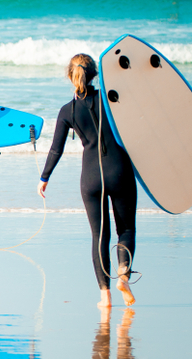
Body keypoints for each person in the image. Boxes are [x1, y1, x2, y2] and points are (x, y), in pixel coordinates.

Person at [37, 54, 137, 308]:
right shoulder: (110, 97)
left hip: (90, 178)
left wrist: (44, 177)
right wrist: (188, 98)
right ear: (95, 75)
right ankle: (123, 274)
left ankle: (105, 296)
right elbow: (148, 108)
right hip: (119, 171)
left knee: (98, 235)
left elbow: (55, 149)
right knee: (125, 229)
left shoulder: (66, 111)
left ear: (70, 76)